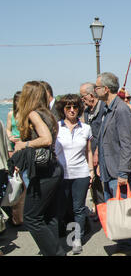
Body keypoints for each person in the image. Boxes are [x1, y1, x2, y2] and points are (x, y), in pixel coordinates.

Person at [12, 81, 65, 256]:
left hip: (44, 172)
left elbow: (46, 139)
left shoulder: (34, 114)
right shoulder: (47, 113)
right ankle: (50, 250)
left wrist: (23, 144)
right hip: (53, 168)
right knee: (49, 216)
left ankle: (55, 252)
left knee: (31, 217)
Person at [94, 72, 131, 253]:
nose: (95, 90)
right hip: (110, 168)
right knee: (120, 207)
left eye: (97, 87)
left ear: (106, 89)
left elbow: (127, 144)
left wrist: (123, 173)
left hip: (118, 170)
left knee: (122, 209)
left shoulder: (120, 109)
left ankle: (126, 245)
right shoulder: (108, 108)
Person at [54, 94, 93, 255]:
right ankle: (60, 239)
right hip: (61, 175)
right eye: (68, 107)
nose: (72, 110)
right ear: (62, 109)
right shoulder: (56, 127)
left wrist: (91, 171)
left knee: (78, 208)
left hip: (81, 173)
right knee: (62, 209)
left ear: (79, 109)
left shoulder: (86, 128)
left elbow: (89, 151)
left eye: (75, 107)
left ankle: (76, 239)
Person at [79, 82, 106, 220]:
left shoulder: (103, 108)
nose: (81, 99)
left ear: (91, 95)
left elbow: (103, 134)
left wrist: (97, 154)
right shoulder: (86, 111)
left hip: (103, 153)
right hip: (90, 153)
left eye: (82, 96)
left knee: (104, 183)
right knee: (94, 186)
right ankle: (99, 211)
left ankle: (108, 213)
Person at [6, 91, 26, 226]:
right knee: (15, 181)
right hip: (13, 148)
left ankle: (21, 215)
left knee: (24, 182)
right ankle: (16, 216)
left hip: (24, 147)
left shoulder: (28, 114)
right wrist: (10, 137)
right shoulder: (11, 114)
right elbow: (8, 129)